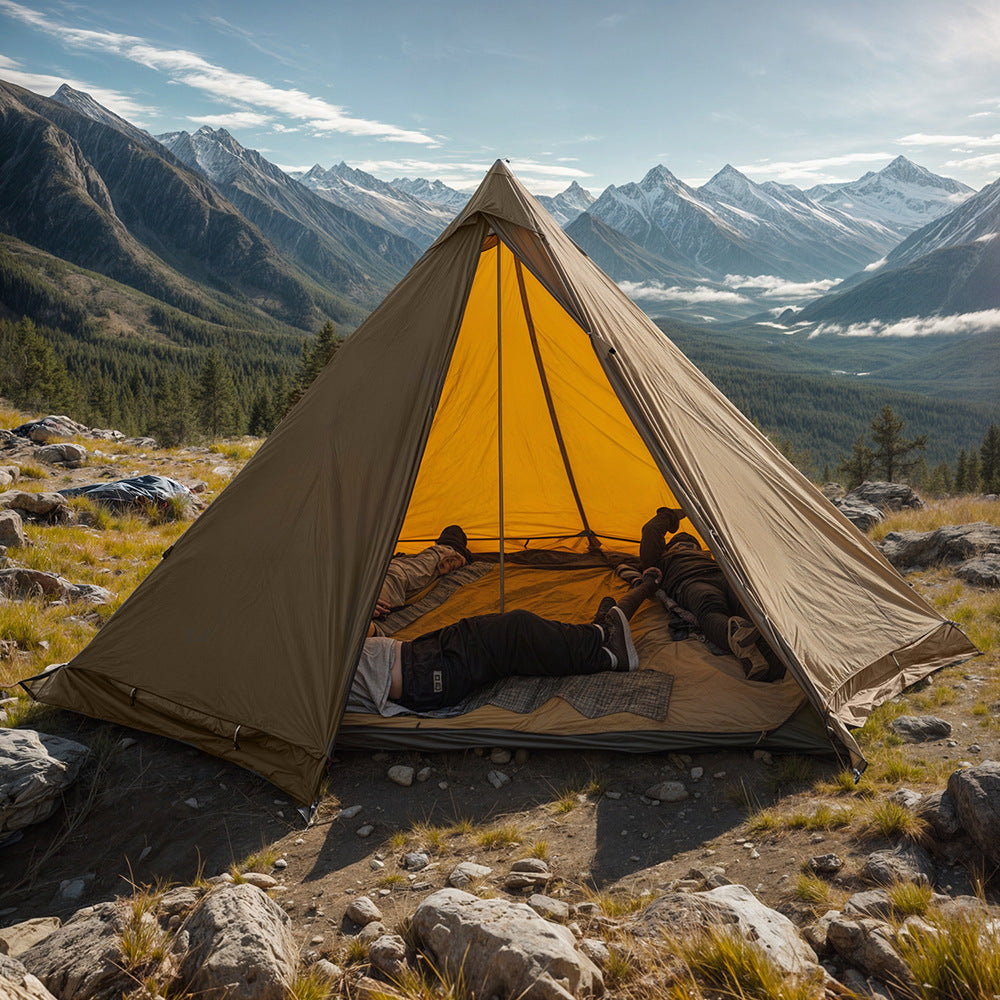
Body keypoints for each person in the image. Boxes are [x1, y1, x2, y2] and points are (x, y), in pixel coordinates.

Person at [351, 568, 663, 717]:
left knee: (498, 632)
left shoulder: (319, 648)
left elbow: (369, 634)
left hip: (417, 655)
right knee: (514, 630)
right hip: (419, 676)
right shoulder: (308, 673)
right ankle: (605, 648)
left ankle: (597, 634)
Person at [639, 507, 784, 681]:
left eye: (691, 544)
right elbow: (651, 531)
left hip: (712, 580)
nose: (685, 546)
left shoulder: (711, 557)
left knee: (734, 610)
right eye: (680, 543)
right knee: (724, 609)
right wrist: (672, 515)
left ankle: (751, 644)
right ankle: (747, 642)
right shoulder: (661, 560)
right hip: (701, 580)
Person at [372, 525, 475, 625]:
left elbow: (401, 572)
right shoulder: (434, 557)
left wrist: (372, 598)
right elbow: (401, 573)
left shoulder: (437, 558)